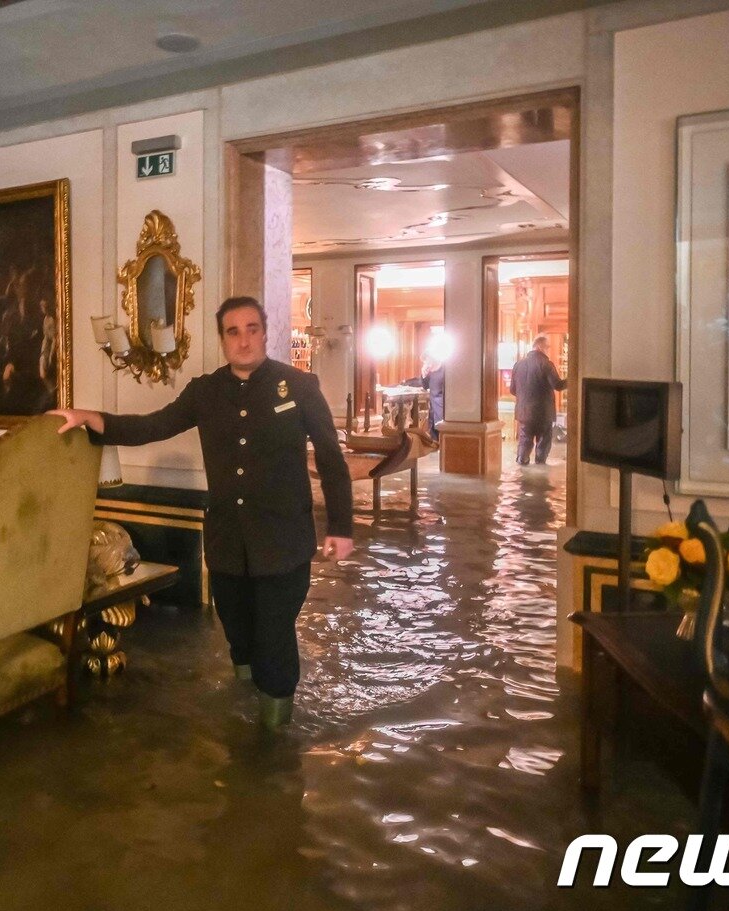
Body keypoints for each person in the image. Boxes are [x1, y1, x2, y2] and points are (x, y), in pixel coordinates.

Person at [52, 296, 353, 729]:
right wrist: (94, 419)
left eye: (252, 329)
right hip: (228, 541)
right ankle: (244, 702)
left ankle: (273, 738)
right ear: (223, 339)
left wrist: (341, 527)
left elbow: (330, 459)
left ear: (266, 333)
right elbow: (153, 425)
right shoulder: (206, 392)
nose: (244, 339)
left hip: (283, 542)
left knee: (275, 636)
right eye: (234, 331)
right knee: (237, 631)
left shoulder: (300, 387)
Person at [509, 334, 566, 466]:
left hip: (524, 412)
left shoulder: (518, 364)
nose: (548, 349)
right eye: (547, 347)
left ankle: (522, 462)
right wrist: (573, 379)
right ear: (540, 346)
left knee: (524, 439)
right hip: (543, 413)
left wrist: (524, 395)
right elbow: (557, 385)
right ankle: (540, 467)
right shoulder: (546, 364)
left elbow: (512, 390)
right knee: (543, 442)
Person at [404, 353, 446, 440]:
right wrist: (423, 375)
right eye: (425, 361)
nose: (426, 363)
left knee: (442, 433)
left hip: (442, 407)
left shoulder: (444, 370)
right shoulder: (430, 372)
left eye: (427, 360)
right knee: (433, 432)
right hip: (433, 408)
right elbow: (425, 386)